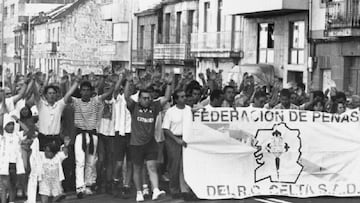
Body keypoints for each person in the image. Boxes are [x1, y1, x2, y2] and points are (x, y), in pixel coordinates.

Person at [124, 73, 173, 202]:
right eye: (144, 98)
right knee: (138, 169)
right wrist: (128, 82)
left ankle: (155, 190)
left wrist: (168, 84)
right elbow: (126, 97)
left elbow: (167, 98)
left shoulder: (154, 107)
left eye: (148, 98)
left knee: (152, 166)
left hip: (151, 143)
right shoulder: (134, 107)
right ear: (139, 99)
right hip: (136, 144)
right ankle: (139, 192)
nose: (147, 100)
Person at [71, 79, 114, 198]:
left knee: (91, 161)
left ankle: (88, 184)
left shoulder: (96, 101)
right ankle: (80, 187)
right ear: (80, 92)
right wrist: (74, 81)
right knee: (80, 161)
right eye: (83, 90)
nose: (85, 93)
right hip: (80, 134)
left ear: (91, 91)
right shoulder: (76, 102)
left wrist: (114, 80)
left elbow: (109, 94)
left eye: (87, 90)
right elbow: (67, 95)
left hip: (92, 134)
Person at [162, 89, 192, 199]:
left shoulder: (188, 109)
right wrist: (176, 140)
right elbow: (165, 129)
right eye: (182, 97)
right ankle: (174, 189)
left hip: (186, 139)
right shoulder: (170, 111)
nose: (185, 98)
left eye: (185, 96)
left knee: (185, 165)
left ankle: (185, 189)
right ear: (176, 99)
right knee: (174, 165)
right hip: (173, 139)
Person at [0, 112, 27, 203]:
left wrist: (17, 120)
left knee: (13, 186)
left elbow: (27, 130)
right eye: (8, 124)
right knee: (4, 186)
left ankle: (11, 201)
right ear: (4, 126)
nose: (11, 126)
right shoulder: (2, 136)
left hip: (15, 164)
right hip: (4, 164)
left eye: (12, 124)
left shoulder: (17, 135)